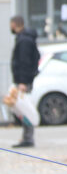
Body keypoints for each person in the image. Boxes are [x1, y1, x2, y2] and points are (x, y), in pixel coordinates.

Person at [10, 15, 40, 148]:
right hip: (24, 79)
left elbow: (24, 62)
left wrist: (22, 82)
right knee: (22, 107)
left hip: (23, 80)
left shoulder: (24, 40)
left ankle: (28, 138)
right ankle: (27, 136)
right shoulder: (25, 38)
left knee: (24, 108)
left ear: (15, 24)